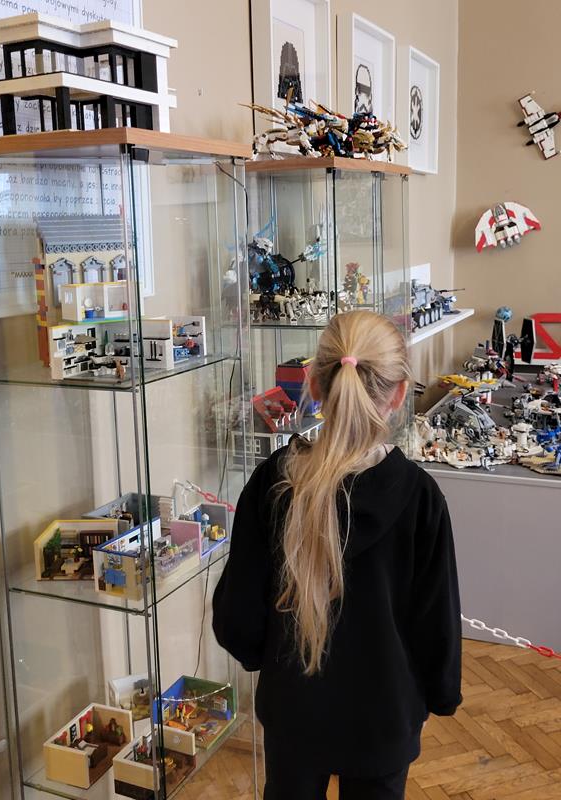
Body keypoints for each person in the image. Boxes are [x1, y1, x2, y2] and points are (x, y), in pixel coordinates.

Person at [212, 311, 462, 800]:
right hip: (384, 716)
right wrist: (439, 694)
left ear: (313, 383)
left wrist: (263, 659)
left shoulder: (274, 482)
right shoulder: (420, 497)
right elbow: (437, 624)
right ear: (399, 394)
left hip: (293, 711)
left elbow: (237, 616)